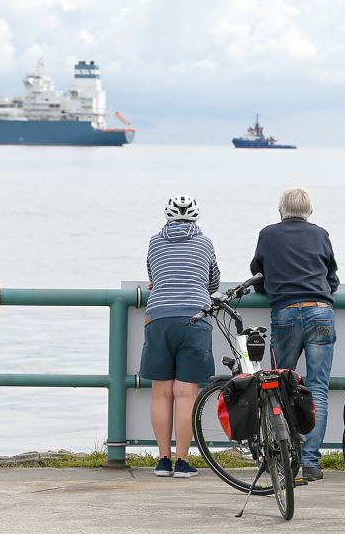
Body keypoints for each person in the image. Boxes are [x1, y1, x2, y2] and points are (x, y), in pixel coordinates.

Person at [249, 187, 338, 482]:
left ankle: (287, 456)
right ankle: (311, 462)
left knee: (280, 385)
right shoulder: (321, 234)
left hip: (285, 313)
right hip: (321, 312)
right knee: (318, 388)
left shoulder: (268, 234)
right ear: (309, 212)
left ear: (280, 211)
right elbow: (332, 278)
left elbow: (259, 275)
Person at [141, 195, 220, 478]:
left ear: (167, 217)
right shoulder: (205, 242)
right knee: (185, 395)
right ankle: (183, 462)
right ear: (196, 218)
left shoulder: (154, 241)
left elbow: (152, 274)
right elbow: (213, 282)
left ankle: (163, 460)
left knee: (162, 393)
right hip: (194, 319)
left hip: (159, 317)